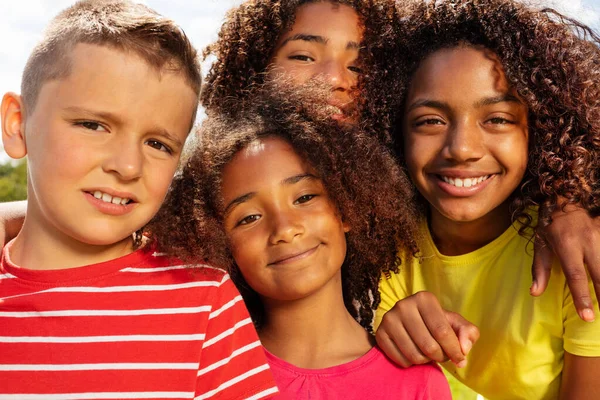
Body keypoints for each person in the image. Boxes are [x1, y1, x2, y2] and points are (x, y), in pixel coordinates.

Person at [3, 0, 600, 327]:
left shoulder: (412, 173)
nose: (335, 81)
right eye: (303, 54)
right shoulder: (210, 184)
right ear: (252, 70)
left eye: (359, 64)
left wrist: (569, 200)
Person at [0, 1, 277, 398]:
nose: (128, 166)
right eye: (93, 125)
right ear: (17, 125)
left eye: (158, 144)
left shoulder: (205, 304)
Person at [147, 87, 452, 399]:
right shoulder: (208, 376)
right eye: (248, 218)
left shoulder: (419, 383)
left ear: (345, 208)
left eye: (305, 197)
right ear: (219, 245)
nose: (285, 228)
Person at [372, 0, 600, 398]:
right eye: (430, 121)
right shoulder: (378, 253)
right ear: (395, 134)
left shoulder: (577, 257)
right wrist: (380, 336)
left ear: (542, 131)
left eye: (497, 119)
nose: (461, 149)